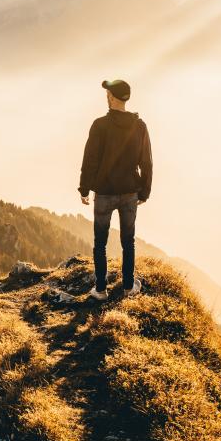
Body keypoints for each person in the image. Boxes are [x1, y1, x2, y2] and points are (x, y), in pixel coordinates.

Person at [78, 79, 153, 300]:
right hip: (130, 191)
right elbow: (146, 162)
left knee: (100, 242)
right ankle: (129, 287)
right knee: (128, 241)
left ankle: (100, 290)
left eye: (108, 93)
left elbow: (90, 160)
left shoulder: (100, 125)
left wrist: (84, 189)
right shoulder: (139, 126)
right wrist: (144, 192)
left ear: (111, 97)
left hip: (104, 192)